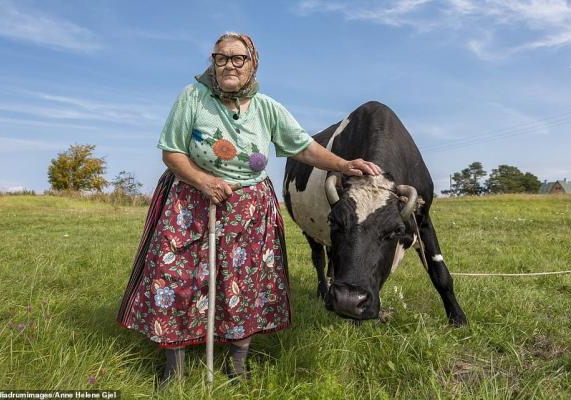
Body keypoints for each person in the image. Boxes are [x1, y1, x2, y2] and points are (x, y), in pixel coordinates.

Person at [116, 32, 380, 385]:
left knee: (244, 284)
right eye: (221, 57)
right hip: (191, 201)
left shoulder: (267, 107)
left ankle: (237, 364)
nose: (229, 64)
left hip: (249, 208)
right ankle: (174, 367)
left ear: (253, 63)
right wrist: (203, 181)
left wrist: (343, 164)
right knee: (177, 278)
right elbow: (171, 151)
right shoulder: (193, 97)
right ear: (212, 62)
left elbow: (303, 147)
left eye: (238, 58)